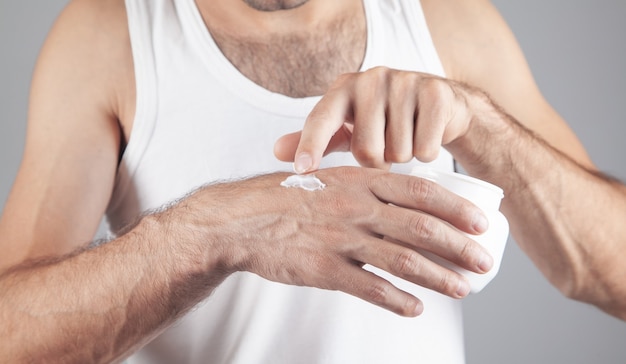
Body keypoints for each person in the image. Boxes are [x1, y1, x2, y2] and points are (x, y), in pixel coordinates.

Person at [0, 0, 624, 362]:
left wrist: (482, 124)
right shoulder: (108, 35)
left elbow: (612, 272)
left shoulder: (444, 20)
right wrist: (215, 230)